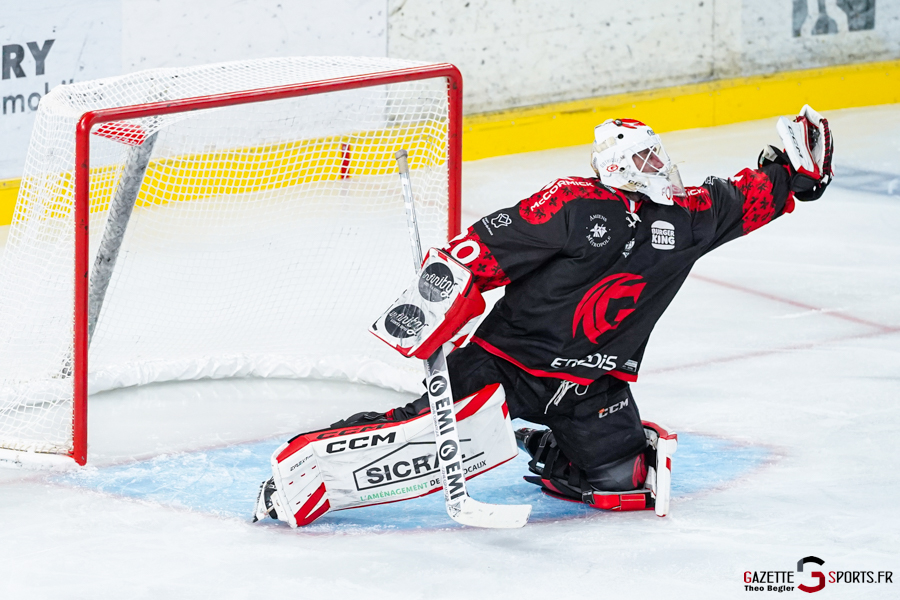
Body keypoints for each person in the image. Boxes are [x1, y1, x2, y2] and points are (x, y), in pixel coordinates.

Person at [254, 106, 833, 526]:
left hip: (588, 385)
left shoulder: (687, 219)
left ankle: (548, 446)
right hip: (507, 363)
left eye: (658, 151)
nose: (661, 163)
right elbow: (480, 248)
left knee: (625, 482)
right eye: (646, 156)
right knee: (417, 439)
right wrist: (436, 306)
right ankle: (303, 468)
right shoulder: (572, 203)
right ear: (619, 167)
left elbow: (746, 195)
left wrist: (796, 173)